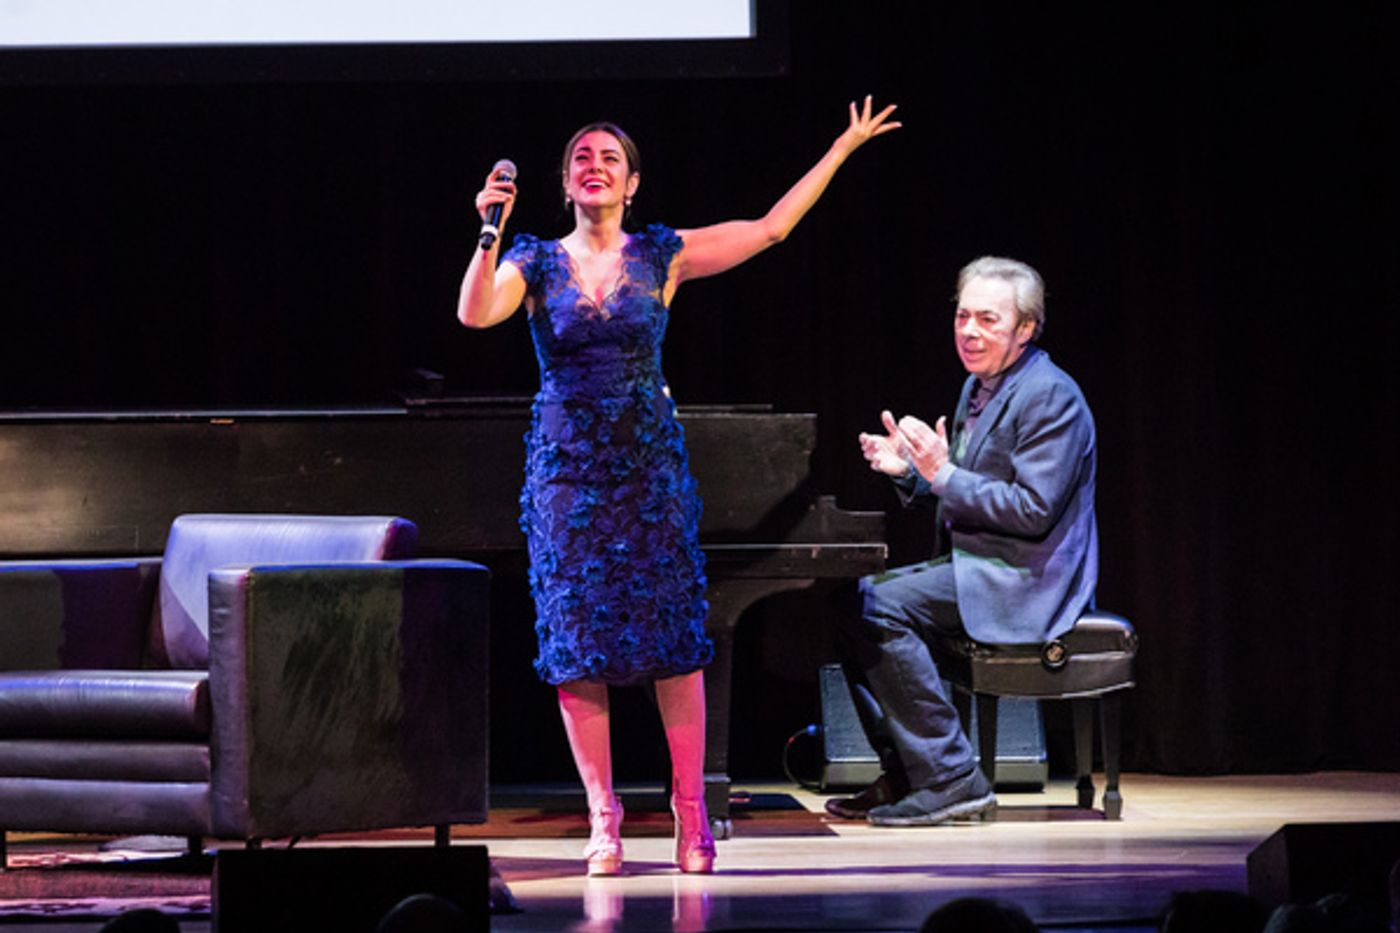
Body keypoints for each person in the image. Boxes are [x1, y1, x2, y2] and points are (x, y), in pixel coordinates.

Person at [458, 97, 899, 874]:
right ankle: (604, 818)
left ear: (632, 183)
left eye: (609, 159)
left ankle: (690, 810)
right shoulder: (531, 259)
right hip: (566, 471)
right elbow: (472, 313)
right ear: (565, 182)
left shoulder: (662, 254)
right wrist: (488, 231)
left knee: (674, 643)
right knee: (575, 647)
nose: (595, 168)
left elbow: (769, 229)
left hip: (646, 472)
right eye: (582, 159)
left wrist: (840, 148)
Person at [826, 256, 1098, 826]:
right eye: (963, 317)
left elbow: (1032, 511)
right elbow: (966, 491)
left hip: (1027, 577)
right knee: (846, 600)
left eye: (988, 321)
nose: (970, 332)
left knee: (878, 604)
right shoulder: (982, 385)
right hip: (985, 561)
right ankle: (907, 768)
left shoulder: (1050, 396)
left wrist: (941, 473)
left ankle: (951, 777)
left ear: (1025, 329)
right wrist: (910, 472)